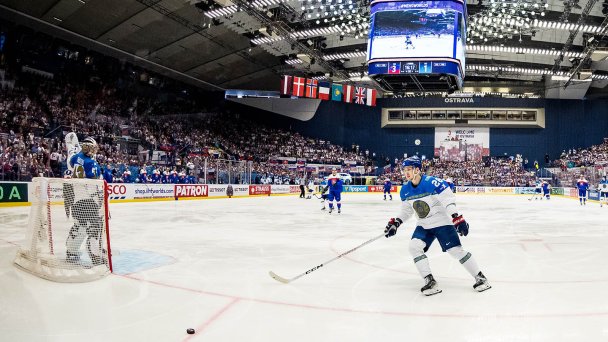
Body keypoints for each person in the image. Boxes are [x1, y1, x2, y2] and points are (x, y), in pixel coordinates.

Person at [383, 156, 490, 296]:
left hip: (442, 223)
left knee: (455, 251)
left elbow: (448, 200)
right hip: (423, 225)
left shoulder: (432, 182)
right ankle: (430, 281)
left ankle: (481, 278)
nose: (406, 172)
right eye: (404, 170)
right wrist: (396, 222)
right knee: (414, 247)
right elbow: (407, 210)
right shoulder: (405, 190)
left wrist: (456, 218)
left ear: (417, 169)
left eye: (409, 169)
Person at [63, 136, 106, 266]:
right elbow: (95, 182)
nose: (94, 151)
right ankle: (94, 253)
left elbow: (70, 157)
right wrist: (99, 201)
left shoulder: (75, 158)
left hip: (76, 200)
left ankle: (71, 251)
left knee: (80, 226)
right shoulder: (91, 163)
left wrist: (71, 147)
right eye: (93, 148)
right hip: (89, 200)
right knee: (95, 226)